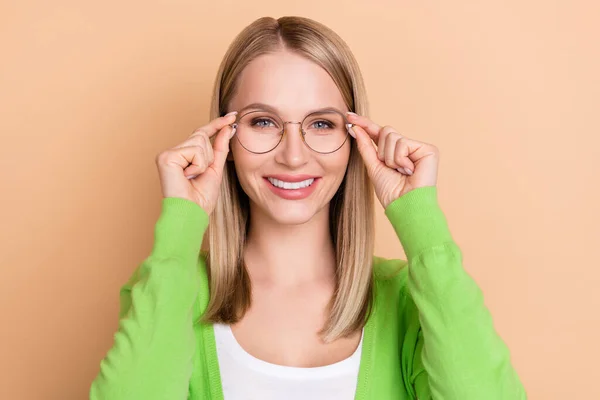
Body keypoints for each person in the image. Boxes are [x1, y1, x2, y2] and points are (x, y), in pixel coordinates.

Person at [89, 16, 526, 400]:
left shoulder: (412, 302)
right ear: (222, 136)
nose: (294, 156)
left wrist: (421, 223)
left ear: (357, 138)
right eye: (263, 122)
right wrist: (180, 229)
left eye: (321, 124)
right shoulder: (170, 290)